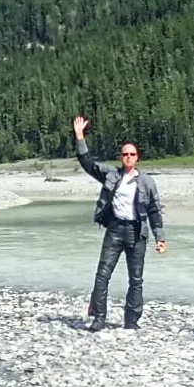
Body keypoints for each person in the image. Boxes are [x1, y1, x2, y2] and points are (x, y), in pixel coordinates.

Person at [73, 115, 165, 331]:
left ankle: (131, 321)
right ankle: (99, 318)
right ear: (121, 157)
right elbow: (88, 164)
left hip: (137, 233)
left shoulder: (147, 182)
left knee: (136, 279)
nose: (128, 157)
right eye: (125, 154)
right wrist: (80, 137)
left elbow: (154, 210)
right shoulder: (112, 175)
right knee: (102, 275)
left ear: (137, 157)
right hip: (115, 230)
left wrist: (160, 238)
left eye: (132, 154)